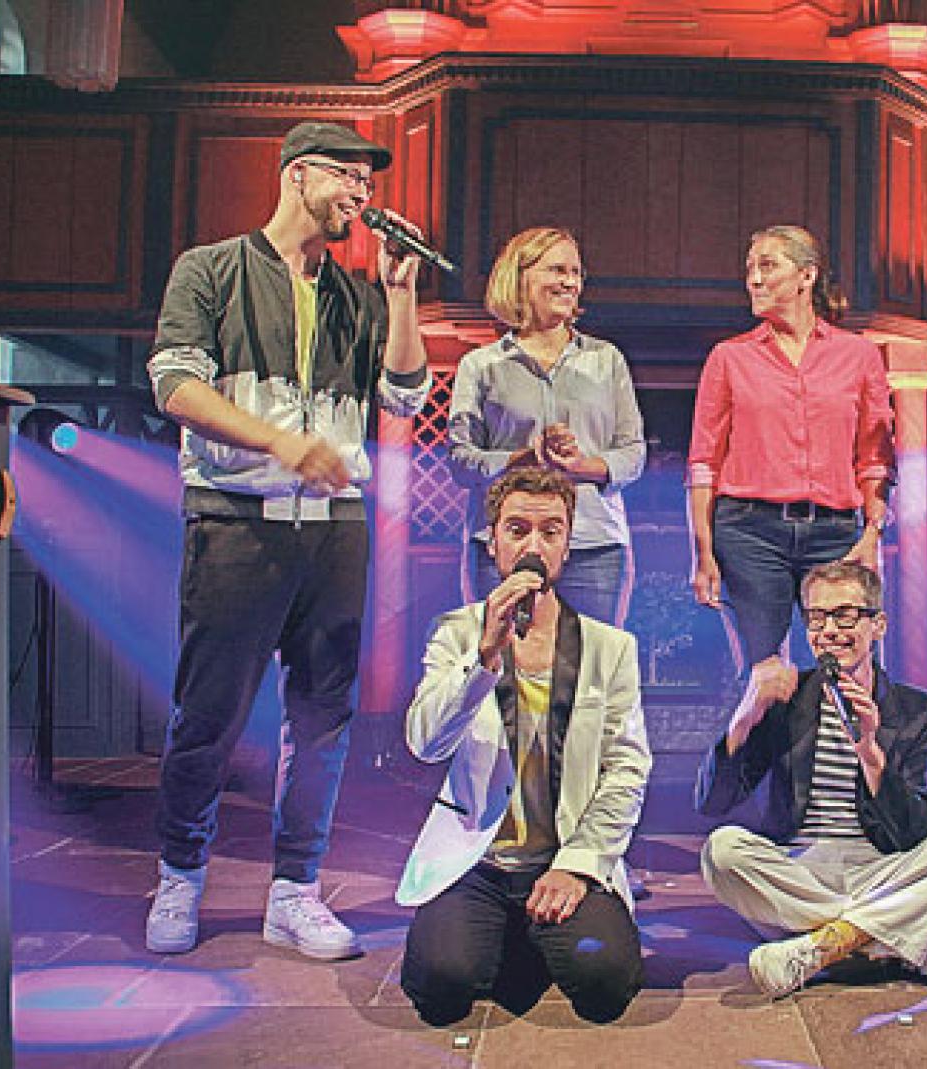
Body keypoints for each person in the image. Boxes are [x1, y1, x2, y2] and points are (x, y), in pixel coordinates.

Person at [143, 121, 430, 958]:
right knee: (210, 712)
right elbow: (175, 386)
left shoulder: (357, 295)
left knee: (322, 718)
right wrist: (279, 443)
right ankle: (180, 874)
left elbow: (405, 396)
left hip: (334, 530)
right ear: (298, 175)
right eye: (347, 177)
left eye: (368, 184)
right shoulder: (211, 269)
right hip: (236, 517)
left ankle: (295, 890)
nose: (361, 195)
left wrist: (400, 295)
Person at [695, 561, 927, 998]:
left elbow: (916, 832)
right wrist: (744, 716)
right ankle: (893, 937)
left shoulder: (920, 709)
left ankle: (820, 947)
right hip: (799, 874)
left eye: (846, 616)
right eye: (818, 618)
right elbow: (712, 803)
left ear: (878, 625)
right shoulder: (785, 699)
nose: (830, 630)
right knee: (722, 851)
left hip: (887, 870)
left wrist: (870, 753)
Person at [396, 467, 650, 1025]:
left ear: (567, 545)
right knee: (440, 988)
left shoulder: (610, 648)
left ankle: (534, 932)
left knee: (605, 985)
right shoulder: (456, 632)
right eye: (517, 529)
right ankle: (509, 936)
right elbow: (424, 743)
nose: (534, 545)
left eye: (550, 531)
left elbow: (627, 770)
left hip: (564, 855)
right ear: (493, 542)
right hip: (477, 861)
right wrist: (484, 657)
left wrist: (578, 866)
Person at [687, 225, 895, 670]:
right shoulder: (730, 357)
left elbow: (875, 458)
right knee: (766, 672)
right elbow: (704, 462)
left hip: (835, 531)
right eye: (749, 269)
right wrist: (703, 552)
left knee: (847, 666)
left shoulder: (858, 355)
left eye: (767, 266)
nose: (754, 280)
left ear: (806, 275)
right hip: (749, 531)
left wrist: (872, 535)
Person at [447, 227, 646, 626]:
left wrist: (581, 466)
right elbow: (461, 460)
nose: (570, 282)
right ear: (519, 276)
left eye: (576, 273)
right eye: (557, 270)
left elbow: (633, 453)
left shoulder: (606, 360)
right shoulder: (481, 366)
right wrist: (525, 459)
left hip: (593, 545)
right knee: (502, 658)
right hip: (505, 547)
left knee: (592, 660)